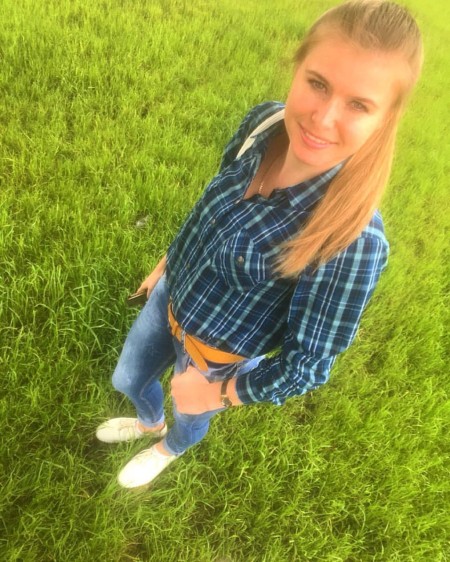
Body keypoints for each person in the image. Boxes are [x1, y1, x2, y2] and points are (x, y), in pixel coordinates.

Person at [96, 0, 423, 488]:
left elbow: (306, 367)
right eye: (318, 83)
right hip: (169, 296)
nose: (323, 118)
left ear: (386, 117)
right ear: (296, 67)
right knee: (126, 379)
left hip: (214, 358)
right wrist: (167, 261)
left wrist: (217, 394)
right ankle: (149, 423)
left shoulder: (353, 239)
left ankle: (170, 446)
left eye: (359, 104)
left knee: (191, 417)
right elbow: (210, 212)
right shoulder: (264, 125)